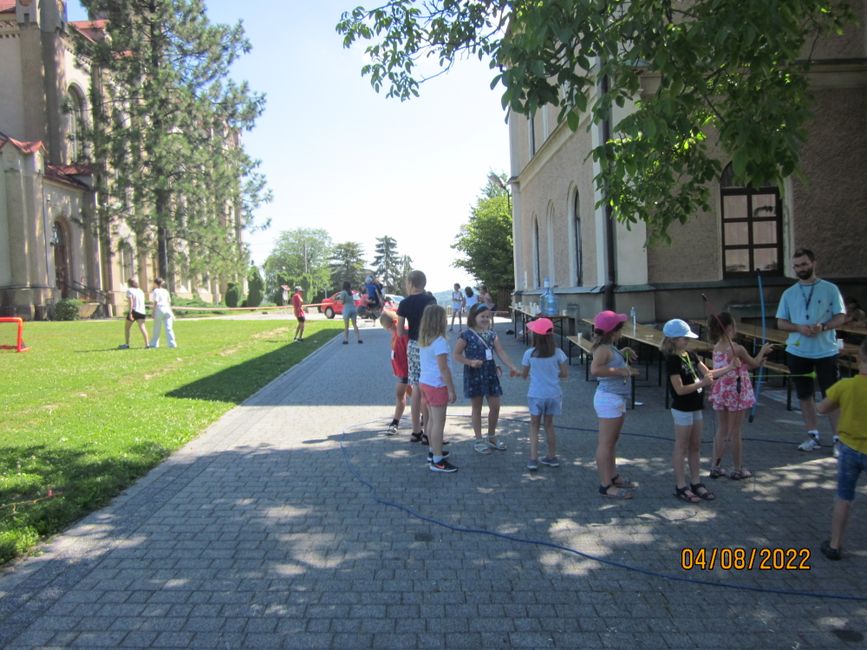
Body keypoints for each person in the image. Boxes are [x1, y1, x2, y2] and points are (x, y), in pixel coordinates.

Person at [775, 248, 846, 451]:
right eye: (797, 266)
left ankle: (838, 439)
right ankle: (812, 435)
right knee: (804, 395)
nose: (800, 269)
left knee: (831, 396)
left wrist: (822, 327)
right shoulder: (789, 293)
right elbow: (780, 322)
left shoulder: (830, 289)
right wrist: (798, 328)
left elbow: (840, 317)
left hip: (826, 351)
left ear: (813, 263)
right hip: (798, 351)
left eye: (804, 264)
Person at [662, 318, 738, 503]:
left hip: (696, 406)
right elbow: (679, 389)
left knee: (695, 446)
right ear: (673, 339)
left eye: (687, 338)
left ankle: (696, 482)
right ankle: (681, 486)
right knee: (682, 446)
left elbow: (709, 374)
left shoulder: (690, 355)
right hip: (682, 408)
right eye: (683, 338)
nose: (687, 341)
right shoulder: (672, 359)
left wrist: (730, 367)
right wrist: (702, 383)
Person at [816, 339, 867, 560]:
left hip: (848, 450)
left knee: (844, 497)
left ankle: (835, 545)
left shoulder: (845, 386)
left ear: (859, 359)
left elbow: (821, 408)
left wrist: (838, 402)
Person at [706, 311, 773, 480]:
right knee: (735, 431)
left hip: (722, 390)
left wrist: (748, 365)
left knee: (722, 429)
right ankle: (737, 469)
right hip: (736, 391)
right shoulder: (737, 348)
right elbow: (755, 363)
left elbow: (737, 368)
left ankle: (715, 466)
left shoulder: (717, 348)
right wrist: (763, 350)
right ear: (729, 327)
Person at [453, 304, 519, 454]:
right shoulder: (465, 335)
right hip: (474, 374)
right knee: (477, 408)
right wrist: (470, 362)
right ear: (473, 317)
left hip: (490, 373)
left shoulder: (492, 334)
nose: (485, 319)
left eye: (488, 316)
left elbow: (501, 352)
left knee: (495, 406)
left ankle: (491, 436)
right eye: (482, 316)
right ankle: (478, 439)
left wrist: (512, 366)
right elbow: (456, 355)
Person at [590, 310, 639, 498]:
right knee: (605, 444)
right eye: (620, 328)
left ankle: (613, 476)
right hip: (608, 399)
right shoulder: (603, 349)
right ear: (613, 331)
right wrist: (620, 371)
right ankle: (606, 485)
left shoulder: (609, 347)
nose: (622, 332)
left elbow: (610, 360)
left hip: (615, 398)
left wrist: (623, 353)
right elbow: (596, 370)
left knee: (612, 442)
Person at [520, 318, 568, 471]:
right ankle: (552, 457)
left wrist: (521, 373)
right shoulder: (558, 353)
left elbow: (524, 374)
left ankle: (533, 459)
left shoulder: (529, 353)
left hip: (536, 395)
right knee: (549, 425)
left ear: (536, 335)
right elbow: (564, 374)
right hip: (553, 394)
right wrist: (552, 374)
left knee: (534, 426)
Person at [397, 270, 437, 443]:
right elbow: (435, 323)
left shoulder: (404, 303)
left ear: (411, 283)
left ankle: (416, 431)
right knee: (427, 386)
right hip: (428, 343)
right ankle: (428, 432)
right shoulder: (430, 300)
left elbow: (399, 332)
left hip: (413, 344)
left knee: (416, 388)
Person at [418, 304, 457, 472]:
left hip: (425, 383)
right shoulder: (440, 342)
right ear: (440, 321)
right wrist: (451, 389)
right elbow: (443, 368)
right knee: (438, 423)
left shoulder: (425, 340)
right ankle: (437, 460)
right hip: (437, 385)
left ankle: (433, 451)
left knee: (432, 420)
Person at [380, 311, 410, 435]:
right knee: (413, 394)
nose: (389, 330)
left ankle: (395, 422)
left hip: (407, 371)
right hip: (401, 371)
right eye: (387, 328)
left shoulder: (403, 332)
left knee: (400, 394)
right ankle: (425, 415)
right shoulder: (395, 333)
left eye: (389, 327)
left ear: (395, 322)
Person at [118, 277, 148, 349]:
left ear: (129, 284)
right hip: (142, 311)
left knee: (127, 328)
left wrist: (130, 312)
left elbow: (131, 302)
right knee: (143, 327)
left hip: (134, 311)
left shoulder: (129, 291)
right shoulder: (140, 291)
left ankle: (127, 344)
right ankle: (147, 344)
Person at [149, 277, 177, 349]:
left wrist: (153, 312)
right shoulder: (166, 291)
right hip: (167, 309)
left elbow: (156, 301)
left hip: (159, 309)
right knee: (169, 328)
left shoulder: (156, 291)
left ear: (155, 283)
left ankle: (154, 343)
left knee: (157, 328)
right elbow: (169, 302)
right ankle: (172, 344)